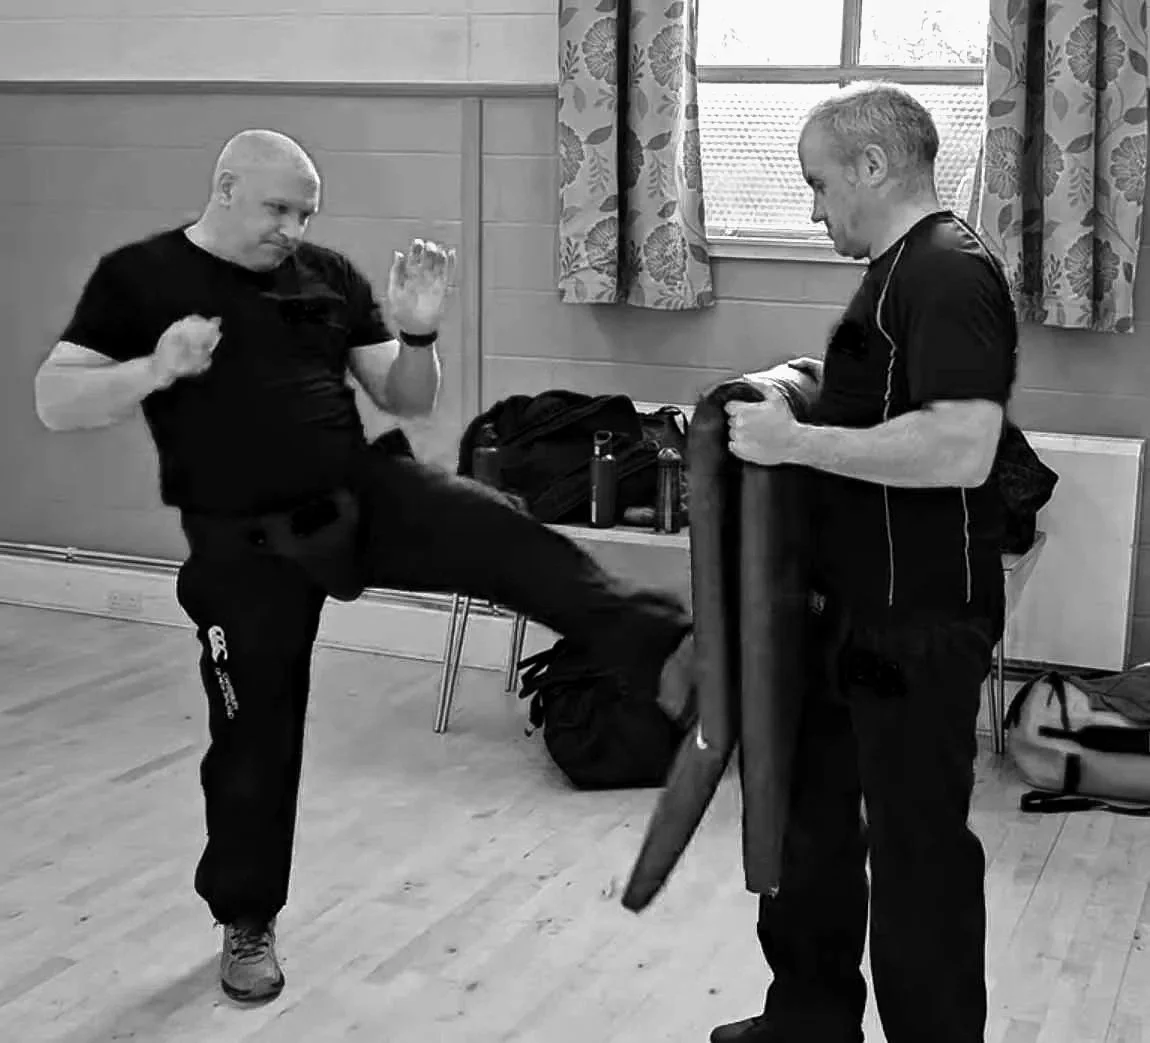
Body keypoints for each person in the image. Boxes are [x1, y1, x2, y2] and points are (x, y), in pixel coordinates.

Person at [33, 129, 693, 1005]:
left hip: (358, 488)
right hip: (243, 541)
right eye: (277, 208)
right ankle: (247, 919)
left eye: (305, 211)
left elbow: (406, 396)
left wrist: (417, 332)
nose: (292, 227)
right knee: (254, 739)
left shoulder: (327, 274)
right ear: (225, 188)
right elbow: (55, 397)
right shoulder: (140, 277)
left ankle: (675, 656)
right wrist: (155, 367)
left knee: (497, 527)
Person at [713, 84, 1017, 1043]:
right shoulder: (895, 272)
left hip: (918, 623)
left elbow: (961, 446)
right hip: (850, 613)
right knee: (813, 828)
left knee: (917, 853)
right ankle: (808, 1017)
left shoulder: (950, 273)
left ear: (873, 167)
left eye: (817, 184)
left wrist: (791, 445)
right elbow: (883, 400)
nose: (812, 208)